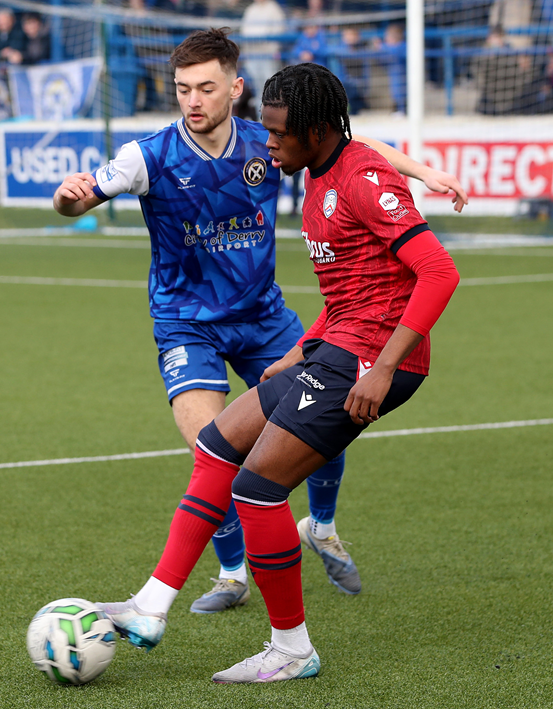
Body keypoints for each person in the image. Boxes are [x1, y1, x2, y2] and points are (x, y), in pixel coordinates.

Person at [53, 29, 467, 613]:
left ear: (234, 88)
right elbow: (80, 199)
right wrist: (67, 196)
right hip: (187, 322)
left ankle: (320, 527)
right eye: (182, 89)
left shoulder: (272, 142)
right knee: (213, 447)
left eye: (205, 87)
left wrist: (423, 173)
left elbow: (355, 145)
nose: (193, 100)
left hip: (264, 314)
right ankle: (229, 574)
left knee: (312, 430)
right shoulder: (147, 155)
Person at [239, 0, 285, 112]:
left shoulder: (274, 9)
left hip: (268, 55)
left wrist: (273, 49)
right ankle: (260, 118)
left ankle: (273, 117)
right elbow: (244, 31)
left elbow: (278, 32)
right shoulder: (251, 10)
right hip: (253, 55)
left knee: (271, 88)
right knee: (257, 89)